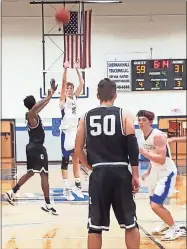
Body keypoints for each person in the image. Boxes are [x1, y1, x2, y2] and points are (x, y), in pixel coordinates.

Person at [75, 78, 140, 249]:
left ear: (97, 95)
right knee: (130, 224)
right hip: (120, 172)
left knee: (95, 227)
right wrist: (135, 175)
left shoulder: (85, 116)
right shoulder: (125, 114)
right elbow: (133, 147)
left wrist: (92, 167)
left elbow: (78, 149)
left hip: (99, 174)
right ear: (115, 95)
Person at [4, 80, 58, 215]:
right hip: (36, 148)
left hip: (33, 148)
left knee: (32, 172)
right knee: (44, 174)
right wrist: (48, 96)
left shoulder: (33, 114)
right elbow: (36, 107)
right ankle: (48, 204)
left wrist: (50, 96)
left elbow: (41, 106)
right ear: (33, 104)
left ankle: (12, 191)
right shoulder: (31, 115)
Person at [137, 110, 185, 240]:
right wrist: (147, 171)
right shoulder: (142, 137)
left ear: (151, 122)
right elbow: (153, 158)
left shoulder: (157, 135)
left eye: (144, 120)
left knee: (156, 204)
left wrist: (142, 152)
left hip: (166, 172)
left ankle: (174, 228)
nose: (141, 122)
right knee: (154, 203)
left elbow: (161, 159)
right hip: (155, 172)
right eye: (139, 120)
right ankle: (166, 222)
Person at [59, 59, 84, 201]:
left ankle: (77, 186)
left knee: (77, 158)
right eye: (67, 88)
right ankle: (66, 188)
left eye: (70, 88)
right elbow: (63, 84)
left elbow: (82, 84)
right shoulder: (63, 101)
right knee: (65, 159)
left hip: (75, 130)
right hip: (66, 132)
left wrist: (77, 69)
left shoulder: (74, 98)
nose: (68, 89)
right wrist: (65, 70)